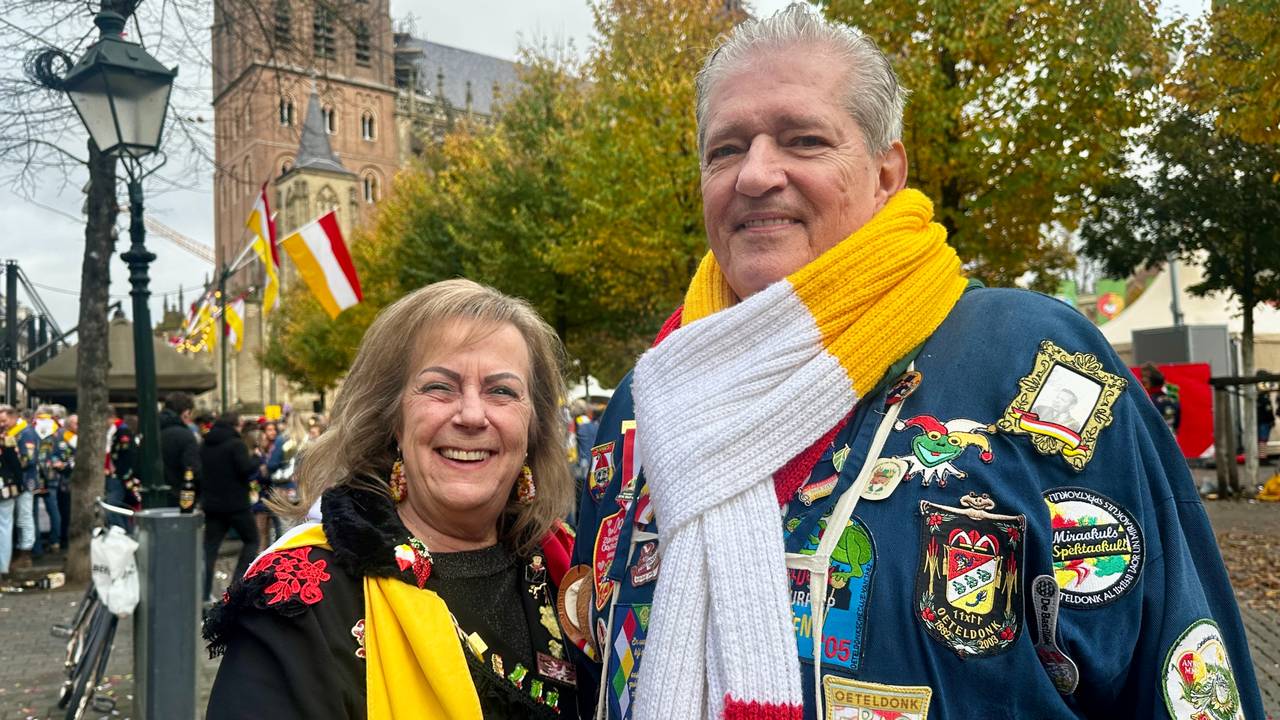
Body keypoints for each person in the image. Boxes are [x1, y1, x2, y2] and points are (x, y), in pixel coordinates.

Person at [568, 7, 1263, 720]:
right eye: (726, 150)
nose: (755, 174)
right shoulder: (648, 402)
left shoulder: (1038, 362)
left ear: (885, 173)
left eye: (804, 140)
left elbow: (1181, 671)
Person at [204, 279, 578, 719]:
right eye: (440, 387)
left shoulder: (570, 571)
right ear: (393, 419)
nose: (473, 415)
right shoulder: (301, 598)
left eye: (502, 391)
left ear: (534, 428)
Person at [199, 412, 261, 602]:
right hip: (236, 505)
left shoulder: (204, 444)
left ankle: (203, 592)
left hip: (212, 505)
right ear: (235, 426)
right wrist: (257, 460)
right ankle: (236, 587)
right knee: (252, 541)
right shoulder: (236, 444)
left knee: (210, 548)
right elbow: (246, 469)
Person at [160, 392, 202, 508]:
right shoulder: (185, 435)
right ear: (186, 413)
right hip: (180, 498)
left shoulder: (151, 432)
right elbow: (192, 469)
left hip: (154, 499)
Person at [1, 405, 24, 580]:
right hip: (5, 487)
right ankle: (3, 567)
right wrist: (20, 484)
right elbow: (15, 464)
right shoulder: (7, 439)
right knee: (5, 527)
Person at [1141, 362, 1181, 433]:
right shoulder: (1172, 397)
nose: (1142, 380)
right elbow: (1176, 425)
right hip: (1171, 437)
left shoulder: (1150, 401)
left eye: (1145, 377)